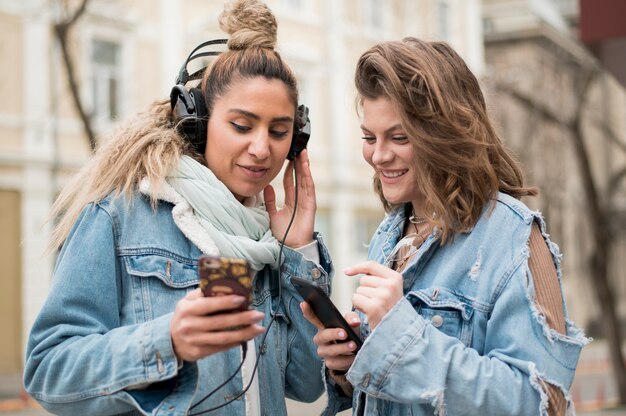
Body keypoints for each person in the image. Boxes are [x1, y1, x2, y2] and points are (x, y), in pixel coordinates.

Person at [24, 1, 332, 415]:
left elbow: (307, 384)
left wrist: (299, 253)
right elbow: (49, 370)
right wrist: (166, 342)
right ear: (197, 120)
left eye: (280, 131)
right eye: (241, 126)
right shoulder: (120, 214)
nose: (262, 149)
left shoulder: (271, 240)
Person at [302, 38, 589, 415]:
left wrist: (404, 337)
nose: (379, 155)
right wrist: (350, 365)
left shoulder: (513, 235)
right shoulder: (389, 234)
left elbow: (543, 401)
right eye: (369, 138)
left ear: (445, 134)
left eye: (400, 137)